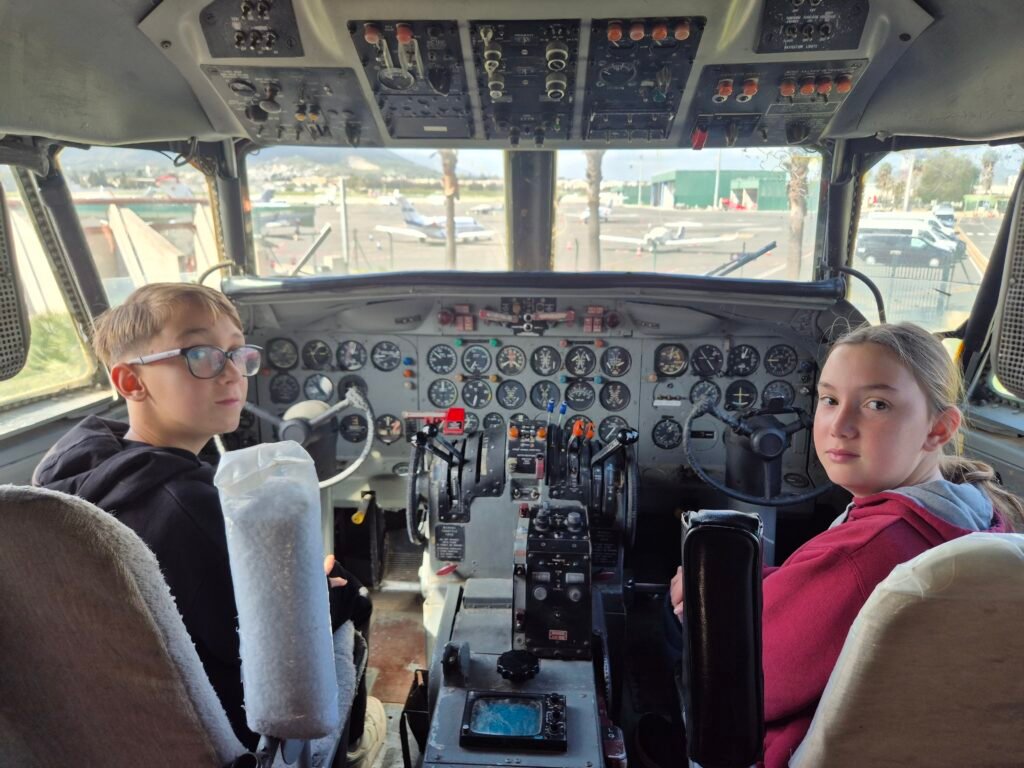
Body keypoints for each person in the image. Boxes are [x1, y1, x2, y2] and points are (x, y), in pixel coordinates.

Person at [33, 283, 386, 766]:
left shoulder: (74, 469)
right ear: (132, 382)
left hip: (119, 726)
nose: (232, 375)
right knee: (356, 600)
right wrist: (331, 592)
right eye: (202, 354)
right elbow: (276, 651)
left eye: (238, 353)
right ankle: (350, 748)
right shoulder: (192, 508)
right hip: (228, 730)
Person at [668, 322, 1024, 767]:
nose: (840, 425)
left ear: (938, 429)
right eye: (830, 400)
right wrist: (745, 585)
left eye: (877, 404)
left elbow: (737, 690)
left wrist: (700, 612)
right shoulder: (982, 510)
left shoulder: (863, 553)